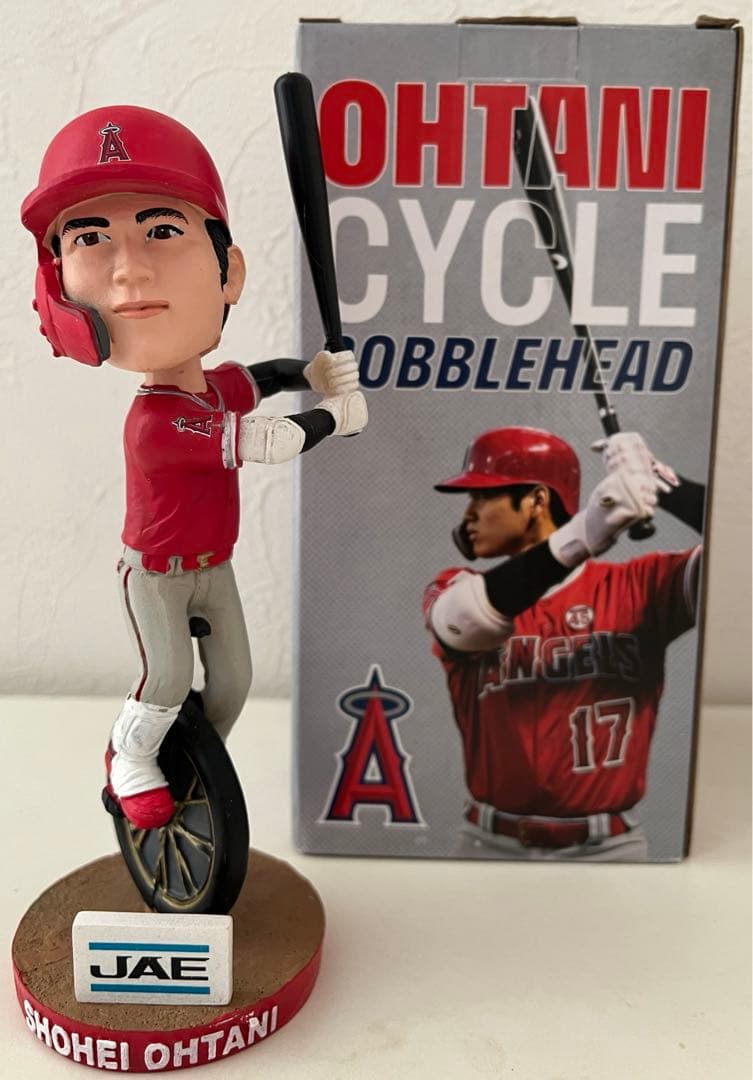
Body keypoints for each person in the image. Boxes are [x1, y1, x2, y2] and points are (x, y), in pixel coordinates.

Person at [22, 105, 367, 830]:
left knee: (234, 682)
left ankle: (192, 761)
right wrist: (335, 416)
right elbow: (270, 439)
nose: (130, 267)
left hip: (215, 564)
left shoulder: (208, 390)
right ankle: (128, 757)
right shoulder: (158, 421)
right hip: (156, 574)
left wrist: (312, 371)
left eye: (161, 231)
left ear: (227, 270)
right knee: (168, 677)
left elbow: (261, 379)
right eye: (91, 239)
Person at [423, 426, 704, 860]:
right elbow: (462, 622)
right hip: (489, 844)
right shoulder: (457, 586)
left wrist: (664, 482)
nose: (469, 514)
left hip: (610, 849)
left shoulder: (641, 585)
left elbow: (741, 547)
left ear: (536, 501)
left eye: (483, 496)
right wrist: (586, 532)